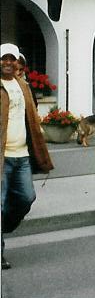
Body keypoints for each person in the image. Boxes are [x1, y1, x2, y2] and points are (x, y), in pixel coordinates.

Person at [1, 43, 54, 270]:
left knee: (27, 197)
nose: (7, 62)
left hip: (22, 155)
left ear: (17, 62)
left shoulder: (23, 85)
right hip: (2, 157)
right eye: (3, 58)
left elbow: (32, 119)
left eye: (11, 59)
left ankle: (4, 228)